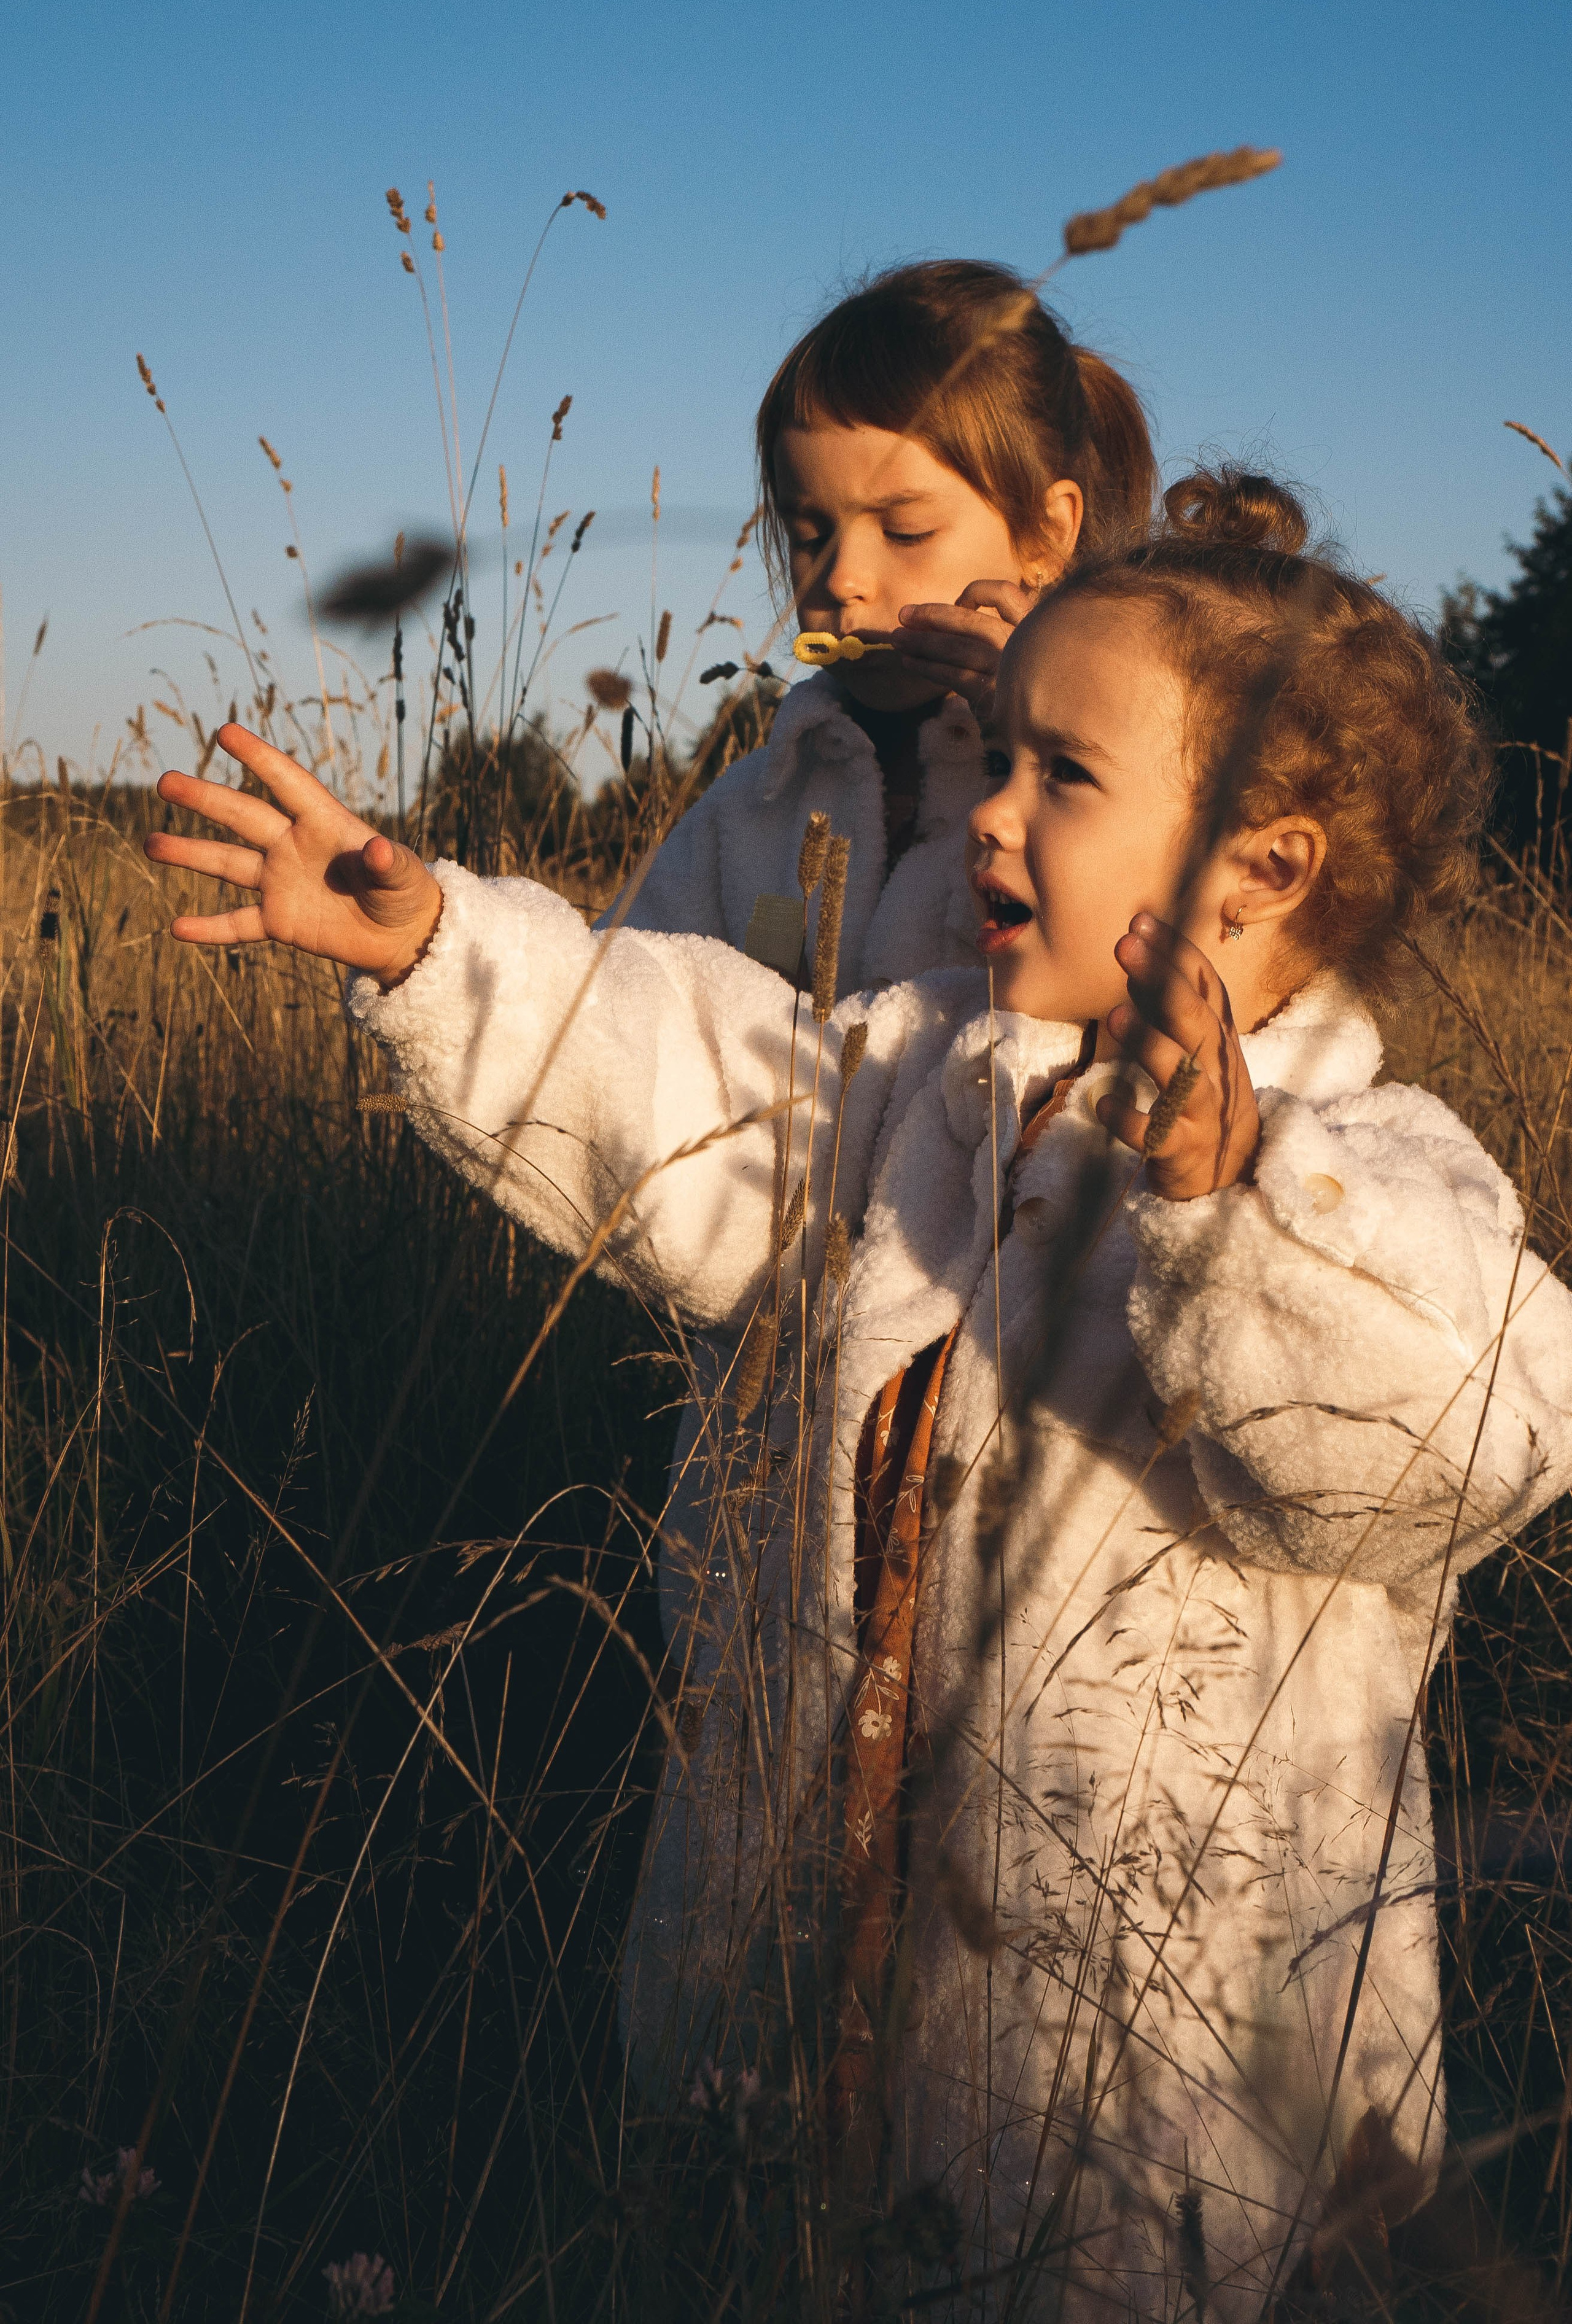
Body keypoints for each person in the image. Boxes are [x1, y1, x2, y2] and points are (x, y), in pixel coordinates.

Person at [144, 468, 1572, 2318]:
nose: (985, 810)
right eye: (999, 756)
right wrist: (439, 948)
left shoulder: (1371, 1171)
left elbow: (1453, 1434)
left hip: (1155, 2078)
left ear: (1262, 859)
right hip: (803, 1975)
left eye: (1061, 773)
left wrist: (1230, 1197)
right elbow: (672, 1073)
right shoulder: (919, 1083)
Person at [609, 256, 1157, 987]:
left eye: (904, 531)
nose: (840, 578)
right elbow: (613, 988)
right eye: (810, 535)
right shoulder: (756, 809)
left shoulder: (1117, 779)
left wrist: (1025, 736)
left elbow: (1135, 966)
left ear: (1045, 536)